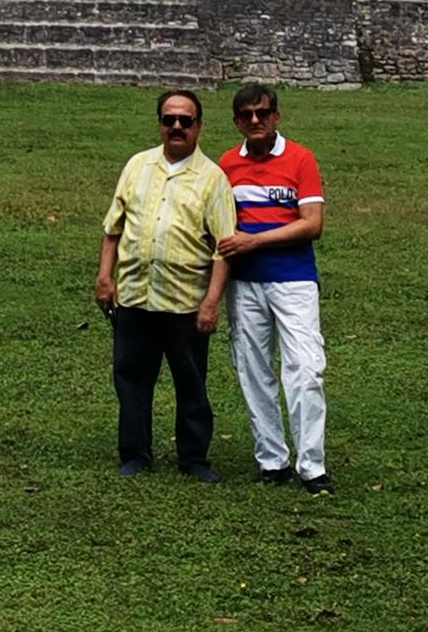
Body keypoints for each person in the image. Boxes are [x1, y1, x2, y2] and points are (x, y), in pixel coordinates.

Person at [97, 88, 235, 479]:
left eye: (185, 121)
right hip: (136, 297)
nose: (177, 127)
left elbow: (223, 249)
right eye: (169, 119)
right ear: (159, 124)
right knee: (132, 381)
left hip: (185, 303)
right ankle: (135, 454)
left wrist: (211, 303)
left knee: (191, 384)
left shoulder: (213, 179)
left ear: (199, 126)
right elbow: (113, 230)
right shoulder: (137, 166)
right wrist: (104, 278)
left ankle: (193, 458)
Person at [215, 82, 329, 491]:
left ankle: (312, 464)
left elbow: (312, 223)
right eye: (246, 115)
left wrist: (255, 240)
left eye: (263, 113)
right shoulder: (227, 165)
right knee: (253, 370)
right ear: (237, 122)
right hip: (245, 283)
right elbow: (220, 227)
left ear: (276, 116)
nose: (255, 120)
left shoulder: (300, 159)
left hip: (294, 279)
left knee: (306, 369)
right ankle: (272, 460)